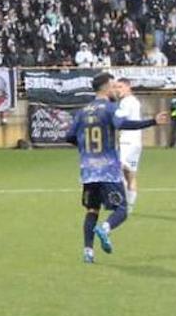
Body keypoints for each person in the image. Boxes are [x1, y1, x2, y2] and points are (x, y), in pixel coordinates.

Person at [67, 72, 167, 264]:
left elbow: (69, 136)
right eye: (113, 85)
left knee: (92, 210)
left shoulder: (83, 111)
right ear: (105, 87)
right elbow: (123, 124)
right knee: (122, 210)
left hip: (88, 170)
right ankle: (104, 229)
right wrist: (152, 121)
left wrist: (85, 149)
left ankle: (88, 251)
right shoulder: (111, 108)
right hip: (108, 170)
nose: (115, 89)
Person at [113, 77, 144, 213]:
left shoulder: (126, 102)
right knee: (130, 174)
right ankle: (129, 206)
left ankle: (122, 202)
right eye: (116, 87)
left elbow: (119, 118)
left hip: (127, 141)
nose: (117, 90)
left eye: (120, 87)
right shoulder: (135, 101)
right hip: (136, 141)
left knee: (117, 169)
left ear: (128, 87)